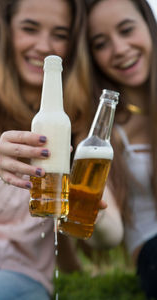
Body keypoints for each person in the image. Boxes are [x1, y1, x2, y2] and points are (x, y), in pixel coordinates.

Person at [0, 0, 91, 299]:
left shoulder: (77, 126)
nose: (44, 45)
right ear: (6, 32)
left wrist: (92, 211)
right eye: (29, 28)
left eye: (60, 34)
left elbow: (97, 228)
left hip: (6, 273)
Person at [81, 0, 157, 299]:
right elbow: (109, 232)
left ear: (149, 26)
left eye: (127, 30)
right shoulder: (98, 131)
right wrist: (93, 213)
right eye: (101, 44)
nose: (120, 48)